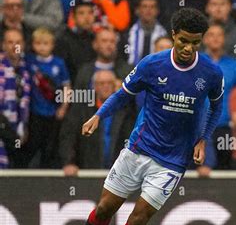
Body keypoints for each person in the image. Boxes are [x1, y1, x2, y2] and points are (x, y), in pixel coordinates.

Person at [47, 8, 224, 225]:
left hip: (172, 161)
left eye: (196, 43)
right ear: (173, 35)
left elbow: (216, 106)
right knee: (105, 207)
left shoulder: (211, 73)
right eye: (184, 41)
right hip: (138, 149)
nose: (189, 48)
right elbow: (121, 95)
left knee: (139, 218)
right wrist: (98, 114)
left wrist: (204, 138)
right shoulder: (152, 65)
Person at [59, 70, 136, 175]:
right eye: (102, 83)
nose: (106, 86)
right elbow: (68, 138)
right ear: (94, 86)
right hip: (87, 171)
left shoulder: (126, 111)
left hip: (119, 174)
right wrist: (69, 162)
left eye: (110, 83)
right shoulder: (80, 110)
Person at [17, 27, 70, 168]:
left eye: (46, 44)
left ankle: (47, 173)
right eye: (38, 43)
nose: (42, 47)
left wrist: (64, 106)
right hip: (34, 113)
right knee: (32, 144)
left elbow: (66, 86)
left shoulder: (58, 63)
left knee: (50, 146)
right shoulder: (29, 60)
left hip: (53, 112)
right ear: (33, 44)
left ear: (52, 45)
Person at [198, 22, 236, 175]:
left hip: (226, 125)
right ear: (204, 39)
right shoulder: (195, 62)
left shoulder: (235, 65)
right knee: (199, 169)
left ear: (225, 39)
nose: (215, 39)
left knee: (224, 169)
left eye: (219, 35)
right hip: (199, 125)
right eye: (211, 35)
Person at [0, 29, 31, 168]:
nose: (14, 46)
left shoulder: (25, 70)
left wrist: (22, 127)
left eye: (18, 42)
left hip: (17, 130)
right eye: (10, 42)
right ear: (3, 45)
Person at [54, 1, 96, 83]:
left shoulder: (96, 39)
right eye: (81, 13)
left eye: (90, 13)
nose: (87, 18)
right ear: (73, 17)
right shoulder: (63, 39)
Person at [123, 0, 167, 66]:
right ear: (137, 10)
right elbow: (122, 59)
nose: (148, 10)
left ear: (157, 11)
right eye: (144, 6)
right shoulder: (127, 34)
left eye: (152, 7)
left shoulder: (165, 35)